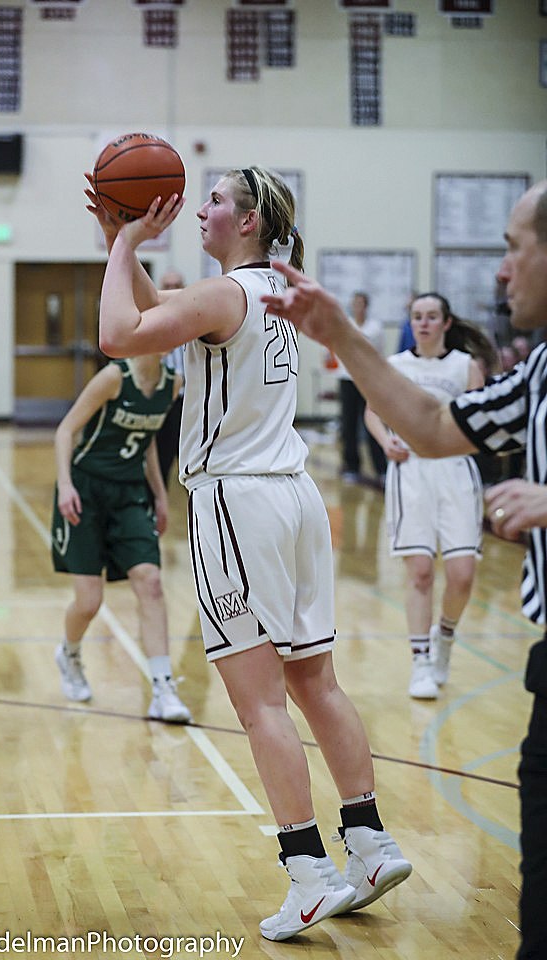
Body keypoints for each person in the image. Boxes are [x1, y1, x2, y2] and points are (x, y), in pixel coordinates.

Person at [92, 165, 411, 942]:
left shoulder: (223, 293)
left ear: (247, 220)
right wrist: (120, 245)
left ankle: (307, 873)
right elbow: (153, 304)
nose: (199, 210)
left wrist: (126, 238)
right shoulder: (270, 290)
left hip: (237, 503)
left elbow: (116, 334)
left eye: (212, 201)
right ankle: (368, 842)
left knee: (259, 699)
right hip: (294, 499)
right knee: (314, 680)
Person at [260, 179, 547, 960]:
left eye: (513, 248)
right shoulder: (538, 370)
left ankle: (329, 853)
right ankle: (422, 665)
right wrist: (342, 335)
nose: (500, 272)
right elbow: (425, 423)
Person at [50, 195, 191, 725]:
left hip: (132, 491)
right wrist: (65, 484)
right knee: (88, 601)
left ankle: (162, 689)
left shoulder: (173, 385)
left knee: (150, 582)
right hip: (87, 488)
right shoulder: (116, 376)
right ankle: (68, 652)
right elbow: (66, 429)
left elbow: (151, 441)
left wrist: (160, 495)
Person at [364, 293, 486, 699]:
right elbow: (371, 412)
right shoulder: (395, 366)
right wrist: (385, 443)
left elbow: (481, 421)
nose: (424, 323)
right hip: (411, 471)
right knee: (419, 571)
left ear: (447, 322)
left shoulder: (466, 367)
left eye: (432, 316)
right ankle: (420, 661)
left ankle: (445, 637)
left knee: (462, 576)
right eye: (417, 317)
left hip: (455, 471)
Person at [336, 292, 387, 485]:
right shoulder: (345, 323)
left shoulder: (376, 328)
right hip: (347, 378)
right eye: (354, 303)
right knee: (348, 424)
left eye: (361, 303)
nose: (357, 307)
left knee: (372, 421)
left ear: (366, 306)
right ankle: (351, 466)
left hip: (368, 380)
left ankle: (381, 468)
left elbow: (379, 353)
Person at [156, 269, 186, 488]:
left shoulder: (196, 318)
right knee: (160, 457)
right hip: (163, 399)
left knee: (190, 459)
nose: (173, 290)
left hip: (189, 401)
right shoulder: (153, 319)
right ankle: (157, 505)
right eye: (168, 286)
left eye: (177, 285)